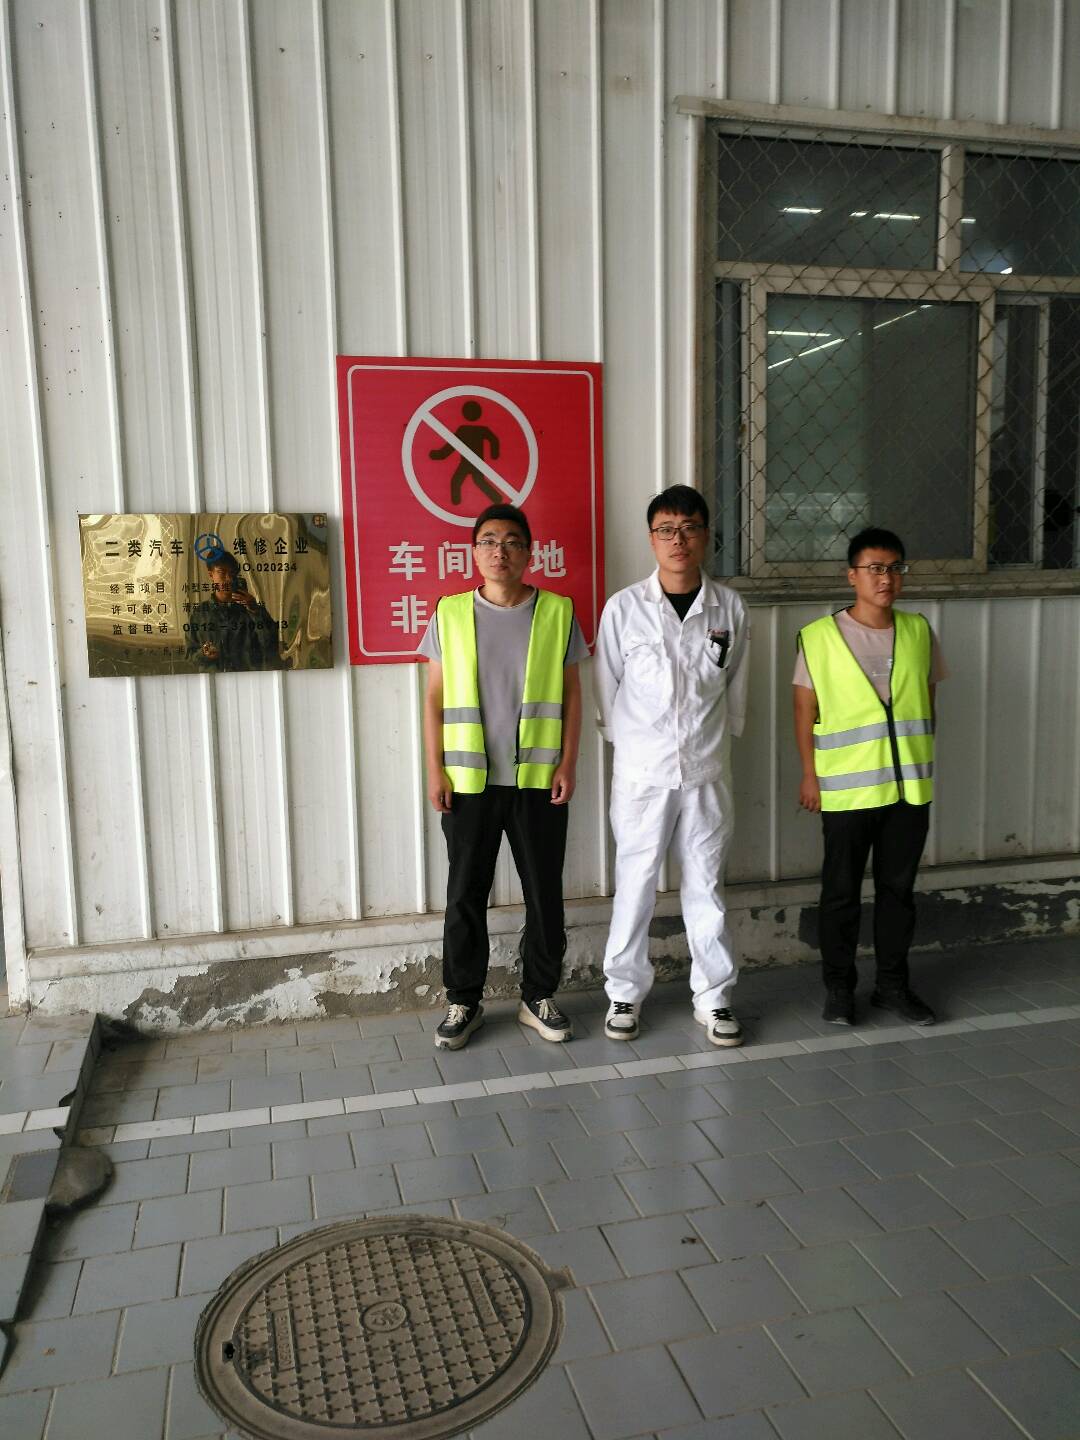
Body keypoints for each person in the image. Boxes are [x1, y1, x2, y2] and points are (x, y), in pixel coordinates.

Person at [418, 503, 588, 1050]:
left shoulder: (557, 612)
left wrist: (568, 763)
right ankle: (463, 1000)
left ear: (529, 552)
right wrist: (435, 770)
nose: (500, 551)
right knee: (464, 895)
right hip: (468, 782)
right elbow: (434, 698)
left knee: (544, 894)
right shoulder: (449, 613)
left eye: (512, 541)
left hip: (539, 781)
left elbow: (573, 695)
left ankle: (538, 996)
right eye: (489, 541)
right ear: (474, 552)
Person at [595, 485, 749, 1046]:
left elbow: (735, 686)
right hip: (642, 775)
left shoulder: (729, 608)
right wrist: (632, 748)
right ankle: (624, 993)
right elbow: (607, 686)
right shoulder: (624, 609)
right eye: (666, 529)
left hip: (707, 770)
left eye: (689, 528)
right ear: (651, 538)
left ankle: (715, 998)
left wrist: (717, 743)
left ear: (706, 535)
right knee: (635, 885)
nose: (677, 539)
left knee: (705, 886)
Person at [793, 527, 947, 1026]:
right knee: (840, 894)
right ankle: (839, 989)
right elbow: (804, 710)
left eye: (895, 568)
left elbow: (927, 703)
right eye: (876, 568)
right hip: (846, 791)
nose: (887, 578)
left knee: (897, 893)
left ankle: (892, 986)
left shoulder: (919, 631)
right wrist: (809, 775)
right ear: (852, 576)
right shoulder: (819, 638)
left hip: (908, 789)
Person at [186, 552, 282, 672]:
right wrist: (204, 654)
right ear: (211, 575)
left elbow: (270, 643)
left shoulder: (249, 610)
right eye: (222, 572)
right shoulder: (199, 614)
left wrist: (255, 610)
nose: (228, 578)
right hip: (213, 680)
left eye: (232, 573)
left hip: (247, 679)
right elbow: (189, 656)